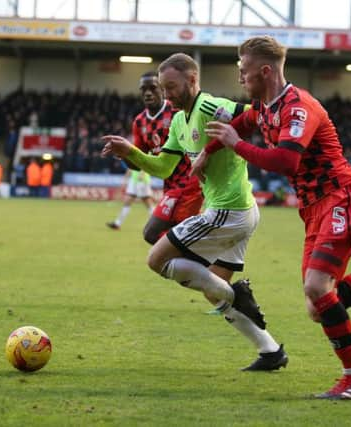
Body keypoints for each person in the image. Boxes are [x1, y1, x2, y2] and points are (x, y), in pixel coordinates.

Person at [197, 36, 351, 398]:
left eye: (244, 71)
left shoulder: (298, 107)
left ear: (265, 71)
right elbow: (245, 124)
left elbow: (285, 161)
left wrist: (233, 144)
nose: (240, 78)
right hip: (313, 209)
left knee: (316, 289)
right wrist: (207, 151)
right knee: (318, 305)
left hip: (339, 198)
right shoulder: (264, 106)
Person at [101, 53, 288, 371]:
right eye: (164, 88)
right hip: (239, 211)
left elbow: (257, 115)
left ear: (192, 79)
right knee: (210, 288)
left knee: (157, 259)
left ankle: (236, 296)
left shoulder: (209, 107)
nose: (167, 94)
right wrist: (130, 152)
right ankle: (270, 351)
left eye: (171, 86)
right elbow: (164, 167)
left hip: (228, 212)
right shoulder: (177, 120)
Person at [106, 71, 203, 244]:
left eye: (153, 88)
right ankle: (209, 264)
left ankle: (208, 262)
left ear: (162, 89)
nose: (148, 93)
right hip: (170, 186)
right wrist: (124, 154)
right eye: (143, 89)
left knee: (154, 234)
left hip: (190, 183)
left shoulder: (176, 112)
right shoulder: (140, 122)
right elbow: (137, 165)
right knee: (173, 239)